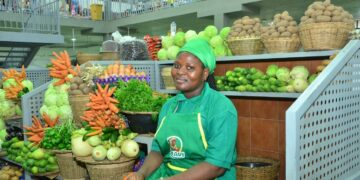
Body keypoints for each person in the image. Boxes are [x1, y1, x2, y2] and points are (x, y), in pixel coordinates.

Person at [125, 38, 238, 180]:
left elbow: (216, 166)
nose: (180, 72)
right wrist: (141, 174)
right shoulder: (169, 106)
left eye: (190, 68)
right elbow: (158, 150)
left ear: (205, 73)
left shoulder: (221, 107)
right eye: (177, 66)